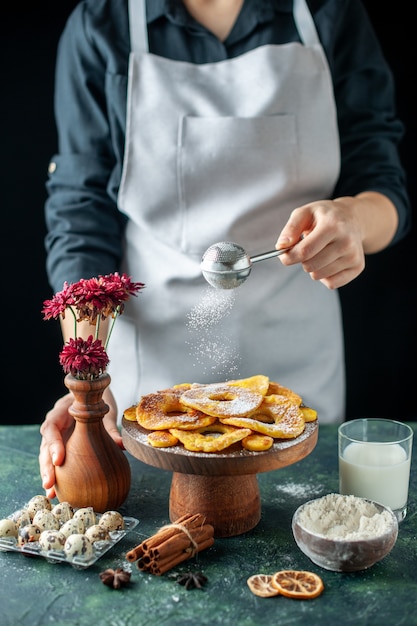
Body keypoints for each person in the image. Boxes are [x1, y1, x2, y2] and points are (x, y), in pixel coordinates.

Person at [39, 0, 411, 499]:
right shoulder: (102, 22)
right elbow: (80, 215)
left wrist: (354, 222)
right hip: (152, 376)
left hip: (298, 370)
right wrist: (85, 370)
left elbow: (383, 183)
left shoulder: (327, 12)